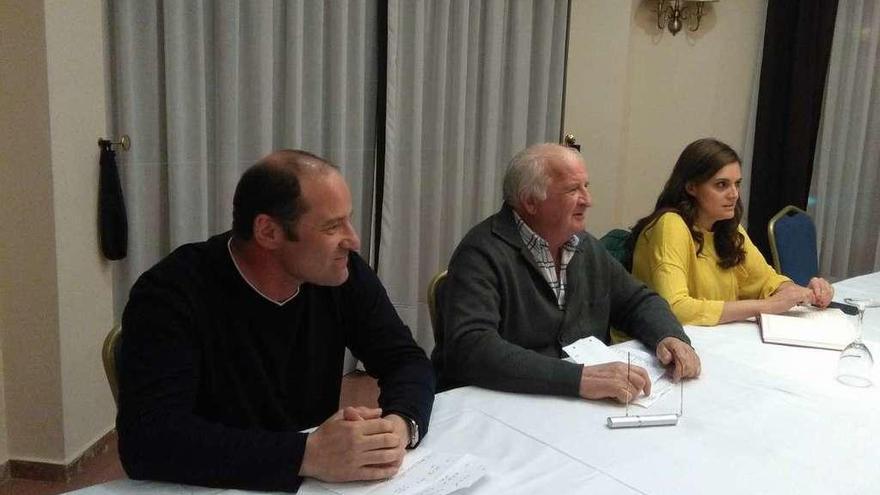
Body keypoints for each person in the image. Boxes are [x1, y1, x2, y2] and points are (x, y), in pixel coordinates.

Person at [117, 150, 434, 492]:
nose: (353, 240)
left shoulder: (342, 275)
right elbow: (148, 440)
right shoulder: (171, 293)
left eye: (348, 220)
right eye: (332, 226)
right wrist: (307, 454)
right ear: (268, 232)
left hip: (313, 484)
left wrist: (399, 426)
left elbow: (405, 360)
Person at [432, 143, 700, 403]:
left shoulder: (584, 246)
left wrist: (669, 335)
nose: (588, 200)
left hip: (573, 405)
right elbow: (472, 348)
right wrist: (578, 379)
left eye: (587, 187)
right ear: (530, 201)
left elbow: (637, 301)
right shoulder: (481, 253)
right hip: (498, 406)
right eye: (573, 189)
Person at [628, 138, 834, 326]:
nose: (734, 194)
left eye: (737, 184)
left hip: (712, 336)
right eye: (721, 185)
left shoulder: (728, 227)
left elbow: (766, 280)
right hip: (654, 347)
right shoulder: (670, 225)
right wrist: (765, 306)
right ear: (691, 187)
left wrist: (795, 291)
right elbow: (675, 308)